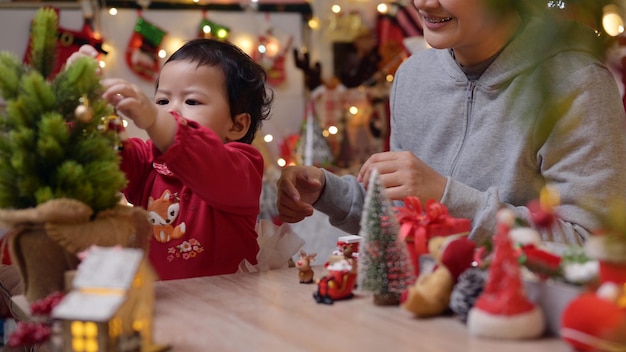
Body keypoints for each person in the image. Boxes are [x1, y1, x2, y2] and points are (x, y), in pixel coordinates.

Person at [276, 0, 626, 245]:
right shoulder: (413, 76)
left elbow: (589, 245)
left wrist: (445, 197)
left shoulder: (576, 82)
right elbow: (402, 217)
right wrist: (328, 191)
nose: (424, 3)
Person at [71, 38, 273, 280]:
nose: (171, 111)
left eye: (192, 101)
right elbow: (105, 157)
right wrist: (87, 102)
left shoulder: (243, 165)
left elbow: (208, 161)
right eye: (162, 101)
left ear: (237, 125)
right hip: (163, 303)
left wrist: (157, 121)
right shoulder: (147, 161)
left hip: (227, 305)